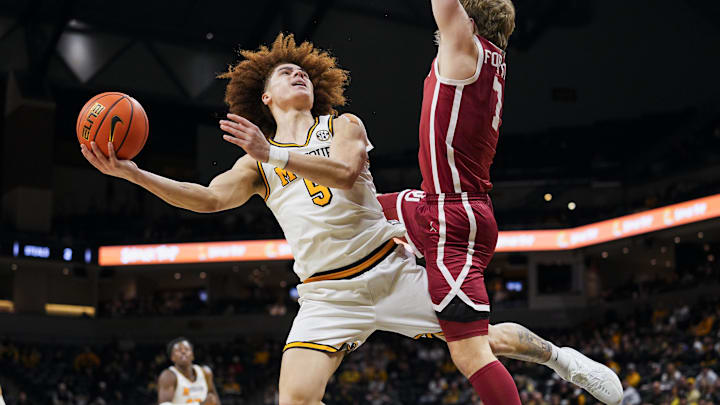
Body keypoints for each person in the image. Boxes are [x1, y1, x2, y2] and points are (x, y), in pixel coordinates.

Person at [81, 33, 618, 404]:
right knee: (293, 395)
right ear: (265, 96)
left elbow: (344, 170)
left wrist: (274, 154)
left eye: (301, 72)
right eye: (284, 73)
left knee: (482, 342)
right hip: (325, 296)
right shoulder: (255, 163)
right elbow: (208, 198)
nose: (296, 74)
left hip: (386, 267)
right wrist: (135, 176)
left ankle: (561, 359)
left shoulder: (341, 125)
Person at [377, 0, 622, 403]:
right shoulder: (487, 58)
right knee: (361, 205)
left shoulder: (465, 48)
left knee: (469, 351)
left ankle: (562, 361)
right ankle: (561, 359)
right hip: (438, 204)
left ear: (467, 22)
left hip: (452, 219)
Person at [157, 337, 220, 405]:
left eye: (187, 349)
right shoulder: (168, 376)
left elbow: (214, 400)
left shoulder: (205, 373)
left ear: (192, 355)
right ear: (172, 357)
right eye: (178, 350)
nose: (183, 352)